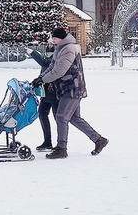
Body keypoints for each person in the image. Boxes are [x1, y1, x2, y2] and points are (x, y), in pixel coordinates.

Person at [31, 27, 108, 159]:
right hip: (67, 88)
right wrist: (40, 78)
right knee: (74, 118)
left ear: (60, 38)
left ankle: (61, 148)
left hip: (72, 88)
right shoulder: (60, 48)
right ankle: (99, 140)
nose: (52, 40)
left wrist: (43, 79)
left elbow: (59, 70)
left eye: (54, 38)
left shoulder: (69, 49)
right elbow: (52, 67)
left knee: (61, 117)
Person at [27, 42, 58, 151]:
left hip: (54, 92)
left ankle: (60, 144)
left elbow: (44, 63)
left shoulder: (56, 56)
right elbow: (43, 71)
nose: (50, 45)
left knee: (57, 118)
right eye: (48, 43)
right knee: (41, 114)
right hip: (46, 93)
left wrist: (33, 53)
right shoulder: (48, 55)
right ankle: (47, 141)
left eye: (52, 43)